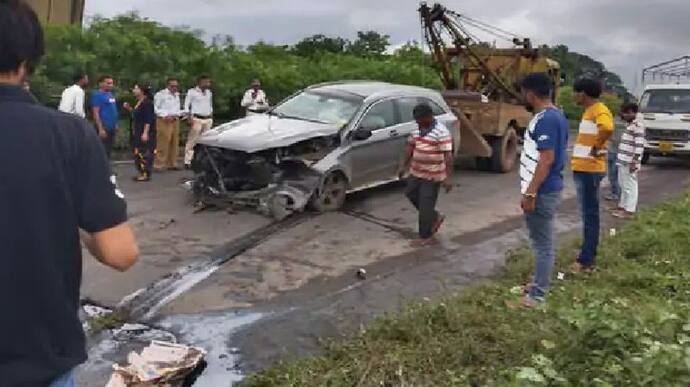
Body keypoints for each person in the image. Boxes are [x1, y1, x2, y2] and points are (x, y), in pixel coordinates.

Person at [0, 2, 139, 387]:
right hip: (37, 359)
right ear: (27, 60)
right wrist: (75, 220)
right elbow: (120, 253)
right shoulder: (69, 136)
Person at [518, 73, 569, 307]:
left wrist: (530, 192)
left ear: (530, 92)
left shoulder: (545, 119)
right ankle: (538, 283)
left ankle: (538, 295)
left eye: (523, 92)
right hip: (547, 188)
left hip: (543, 190)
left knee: (542, 244)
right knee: (542, 241)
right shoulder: (556, 115)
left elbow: (546, 159)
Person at [570, 78, 614, 274]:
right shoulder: (590, 111)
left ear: (583, 94)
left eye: (575, 92)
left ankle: (586, 260)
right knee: (588, 213)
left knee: (590, 215)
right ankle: (587, 256)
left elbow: (608, 128)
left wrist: (596, 147)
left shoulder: (598, 110)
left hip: (590, 169)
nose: (573, 96)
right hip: (584, 168)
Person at [397, 103, 454, 247]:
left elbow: (448, 155)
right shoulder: (417, 130)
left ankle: (426, 236)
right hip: (416, 171)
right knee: (410, 193)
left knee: (425, 205)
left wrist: (448, 177)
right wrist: (403, 165)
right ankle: (434, 217)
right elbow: (410, 147)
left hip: (433, 175)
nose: (418, 122)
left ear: (429, 117)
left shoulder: (441, 132)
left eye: (420, 119)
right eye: (416, 119)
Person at [613, 102, 645, 219]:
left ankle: (629, 210)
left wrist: (634, 162)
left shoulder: (637, 126)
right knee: (623, 184)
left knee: (629, 186)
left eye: (625, 113)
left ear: (631, 112)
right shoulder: (630, 125)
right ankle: (622, 207)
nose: (623, 115)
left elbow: (639, 146)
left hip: (629, 162)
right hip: (623, 160)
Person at [124, 84, 156, 182]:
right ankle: (141, 172)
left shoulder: (147, 103)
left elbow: (148, 119)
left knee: (144, 152)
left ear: (142, 91)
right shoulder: (139, 102)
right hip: (137, 130)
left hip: (144, 131)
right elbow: (137, 116)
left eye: (136, 88)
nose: (134, 90)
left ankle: (145, 173)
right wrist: (129, 109)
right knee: (138, 151)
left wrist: (145, 132)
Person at [183, 75, 213, 168]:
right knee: (192, 140)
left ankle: (202, 160)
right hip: (197, 118)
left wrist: (211, 114)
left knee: (205, 140)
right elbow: (186, 105)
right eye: (206, 82)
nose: (208, 84)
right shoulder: (192, 92)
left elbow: (210, 104)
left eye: (209, 82)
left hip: (207, 118)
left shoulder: (209, 92)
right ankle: (188, 161)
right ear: (200, 82)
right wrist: (188, 117)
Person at [154, 77, 182, 171]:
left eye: (176, 86)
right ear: (168, 85)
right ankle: (159, 164)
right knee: (163, 141)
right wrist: (165, 115)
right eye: (172, 86)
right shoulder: (161, 94)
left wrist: (182, 113)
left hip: (174, 119)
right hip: (164, 120)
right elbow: (156, 108)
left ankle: (172, 163)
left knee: (174, 142)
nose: (174, 88)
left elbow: (177, 108)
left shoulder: (177, 95)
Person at [90, 74, 119, 158]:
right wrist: (100, 128)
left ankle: (107, 168)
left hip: (111, 127)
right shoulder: (97, 95)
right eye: (108, 83)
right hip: (104, 127)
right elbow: (96, 112)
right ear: (101, 83)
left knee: (109, 149)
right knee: (102, 150)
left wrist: (115, 123)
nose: (110, 85)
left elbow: (113, 109)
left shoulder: (110, 94)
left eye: (111, 83)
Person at [605, 116, 626, 202]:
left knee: (614, 174)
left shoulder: (616, 122)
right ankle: (615, 192)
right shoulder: (617, 121)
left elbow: (613, 138)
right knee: (613, 174)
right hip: (613, 150)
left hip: (617, 152)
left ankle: (616, 193)